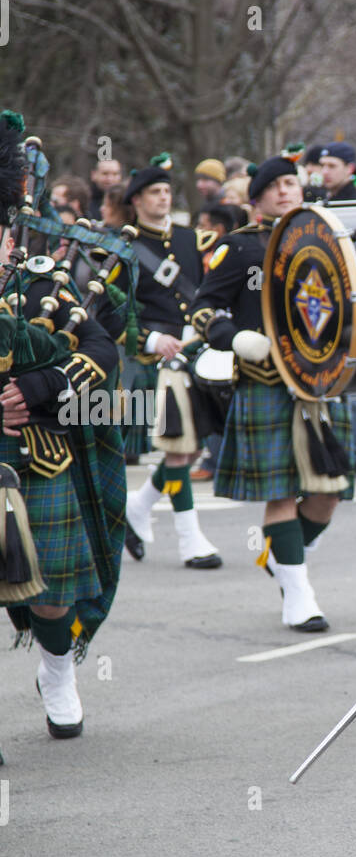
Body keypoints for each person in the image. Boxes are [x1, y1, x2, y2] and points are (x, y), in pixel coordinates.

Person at [0, 112, 126, 741]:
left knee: (50, 593)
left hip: (38, 456)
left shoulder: (38, 282)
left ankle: (56, 670)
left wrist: (37, 386)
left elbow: (102, 352)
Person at [189, 155, 353, 631]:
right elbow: (204, 309)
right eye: (274, 185)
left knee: (328, 493)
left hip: (319, 383)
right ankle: (298, 593)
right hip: (265, 381)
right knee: (280, 493)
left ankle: (281, 556)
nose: (285, 190)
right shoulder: (239, 249)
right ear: (256, 197)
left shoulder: (326, 237)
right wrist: (234, 337)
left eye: (291, 182)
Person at [120, 156, 222, 567]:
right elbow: (111, 314)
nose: (163, 198)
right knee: (180, 449)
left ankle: (139, 506)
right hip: (157, 359)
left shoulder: (193, 240)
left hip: (197, 350)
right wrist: (150, 337)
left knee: (192, 447)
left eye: (167, 192)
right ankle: (189, 540)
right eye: (154, 193)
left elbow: (208, 293)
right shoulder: (122, 249)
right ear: (137, 200)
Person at [88, 156, 122, 222]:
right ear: (93, 175)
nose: (110, 179)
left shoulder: (127, 203)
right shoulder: (86, 202)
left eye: (115, 174)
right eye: (105, 174)